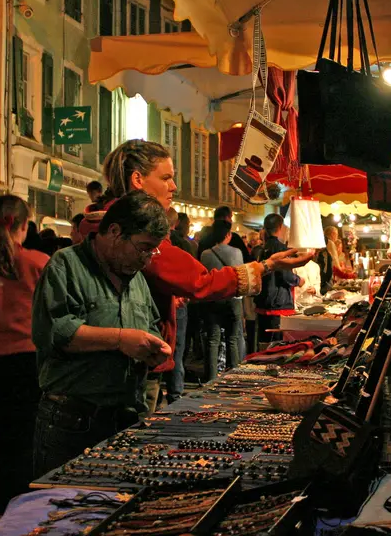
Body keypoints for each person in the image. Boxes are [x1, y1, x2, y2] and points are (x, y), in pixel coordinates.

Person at [80, 140, 312, 385]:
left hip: (117, 362)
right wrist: (267, 265)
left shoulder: (101, 227)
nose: (174, 186)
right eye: (166, 178)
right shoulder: (134, 230)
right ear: (138, 180)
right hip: (129, 366)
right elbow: (199, 282)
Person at [32, 192, 172, 477]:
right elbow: (56, 331)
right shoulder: (66, 265)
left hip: (125, 417)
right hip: (72, 422)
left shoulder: (136, 279)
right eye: (143, 247)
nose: (146, 258)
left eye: (152, 250)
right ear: (114, 231)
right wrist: (121, 339)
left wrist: (153, 349)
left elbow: (150, 326)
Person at [0, 195, 49, 515]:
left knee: (2, 429)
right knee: (30, 431)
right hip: (29, 357)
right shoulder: (38, 262)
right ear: (23, 226)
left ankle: (3, 494)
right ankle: (24, 497)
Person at [200, 220, 245, 381]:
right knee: (232, 339)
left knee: (213, 339)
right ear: (228, 235)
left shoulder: (205, 254)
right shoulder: (237, 253)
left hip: (213, 300)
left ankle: (210, 379)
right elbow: (241, 276)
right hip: (233, 299)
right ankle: (233, 378)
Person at [255, 213, 304, 343]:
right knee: (276, 345)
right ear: (280, 227)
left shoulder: (261, 249)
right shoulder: (281, 249)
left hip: (262, 302)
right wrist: (298, 280)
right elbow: (285, 275)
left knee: (264, 343)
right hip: (277, 304)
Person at [163, 208, 192, 403]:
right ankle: (175, 394)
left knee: (162, 348)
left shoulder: (157, 246)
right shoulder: (183, 244)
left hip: (163, 301)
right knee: (177, 349)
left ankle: (158, 394)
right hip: (178, 302)